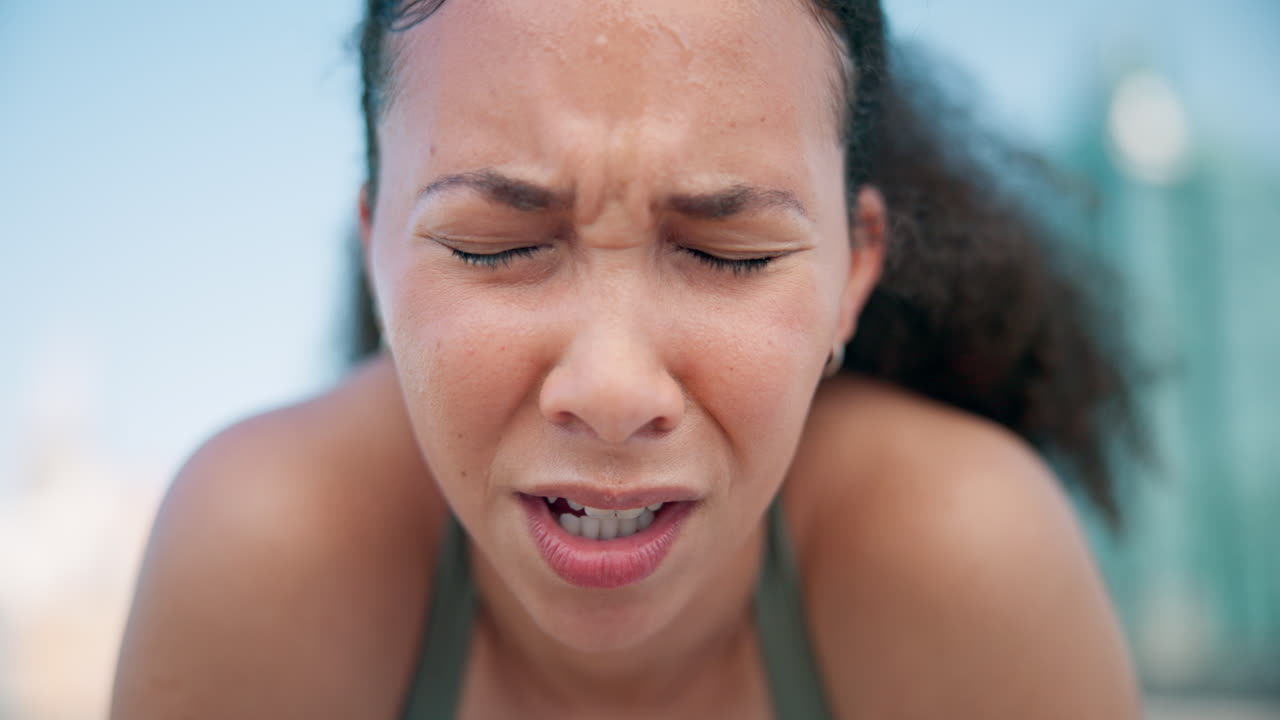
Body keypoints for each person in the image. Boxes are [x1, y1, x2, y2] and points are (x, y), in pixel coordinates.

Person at [111, 0, 1144, 717]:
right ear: (374, 251)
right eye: (495, 247)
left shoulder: (963, 555)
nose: (610, 391)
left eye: (724, 254)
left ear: (852, 277)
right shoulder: (266, 553)